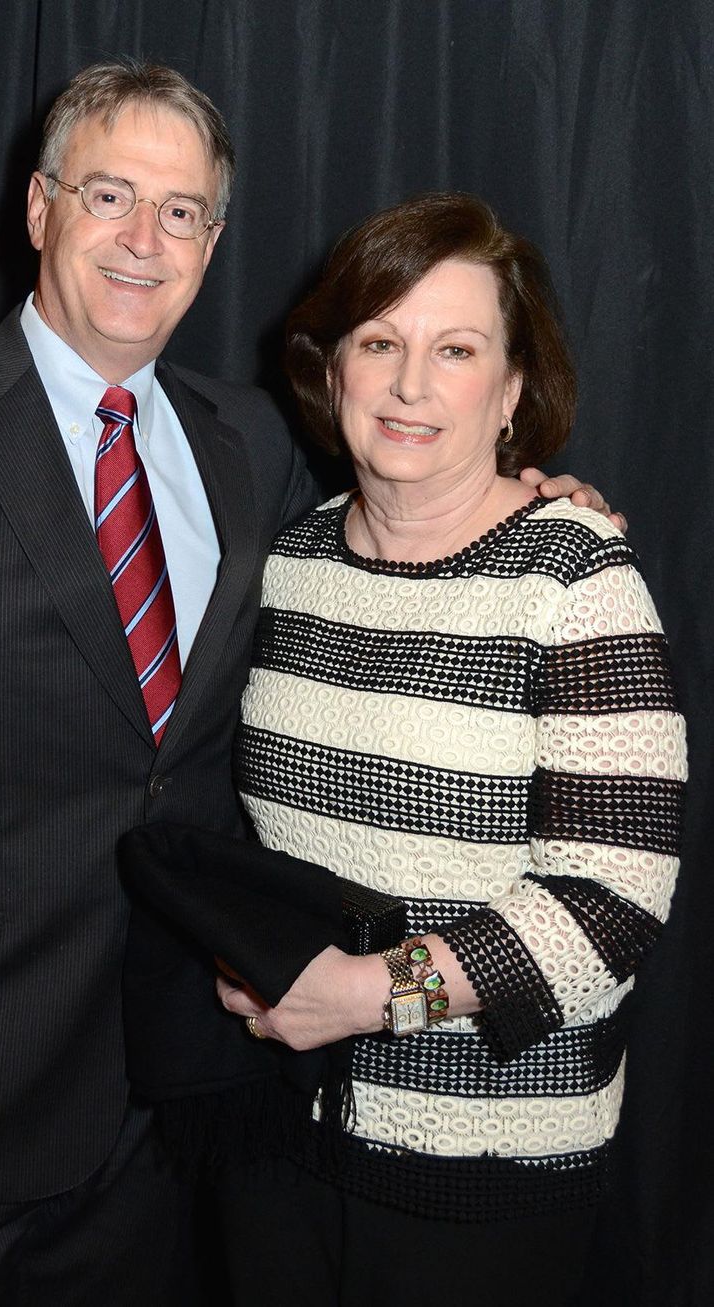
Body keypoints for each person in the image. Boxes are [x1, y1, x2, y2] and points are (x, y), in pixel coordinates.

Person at [0, 59, 615, 1305]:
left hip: (177, 1113)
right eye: (110, 196)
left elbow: (399, 541)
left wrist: (532, 492)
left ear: (212, 240)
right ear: (39, 210)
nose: (145, 240)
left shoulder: (245, 442)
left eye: (183, 210)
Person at [216, 193, 685, 1307]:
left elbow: (611, 902)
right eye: (378, 341)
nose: (410, 384)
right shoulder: (285, 565)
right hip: (268, 1137)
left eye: (455, 348)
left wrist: (372, 995)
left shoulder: (574, 577)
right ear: (331, 371)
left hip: (482, 1175)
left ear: (512, 391)